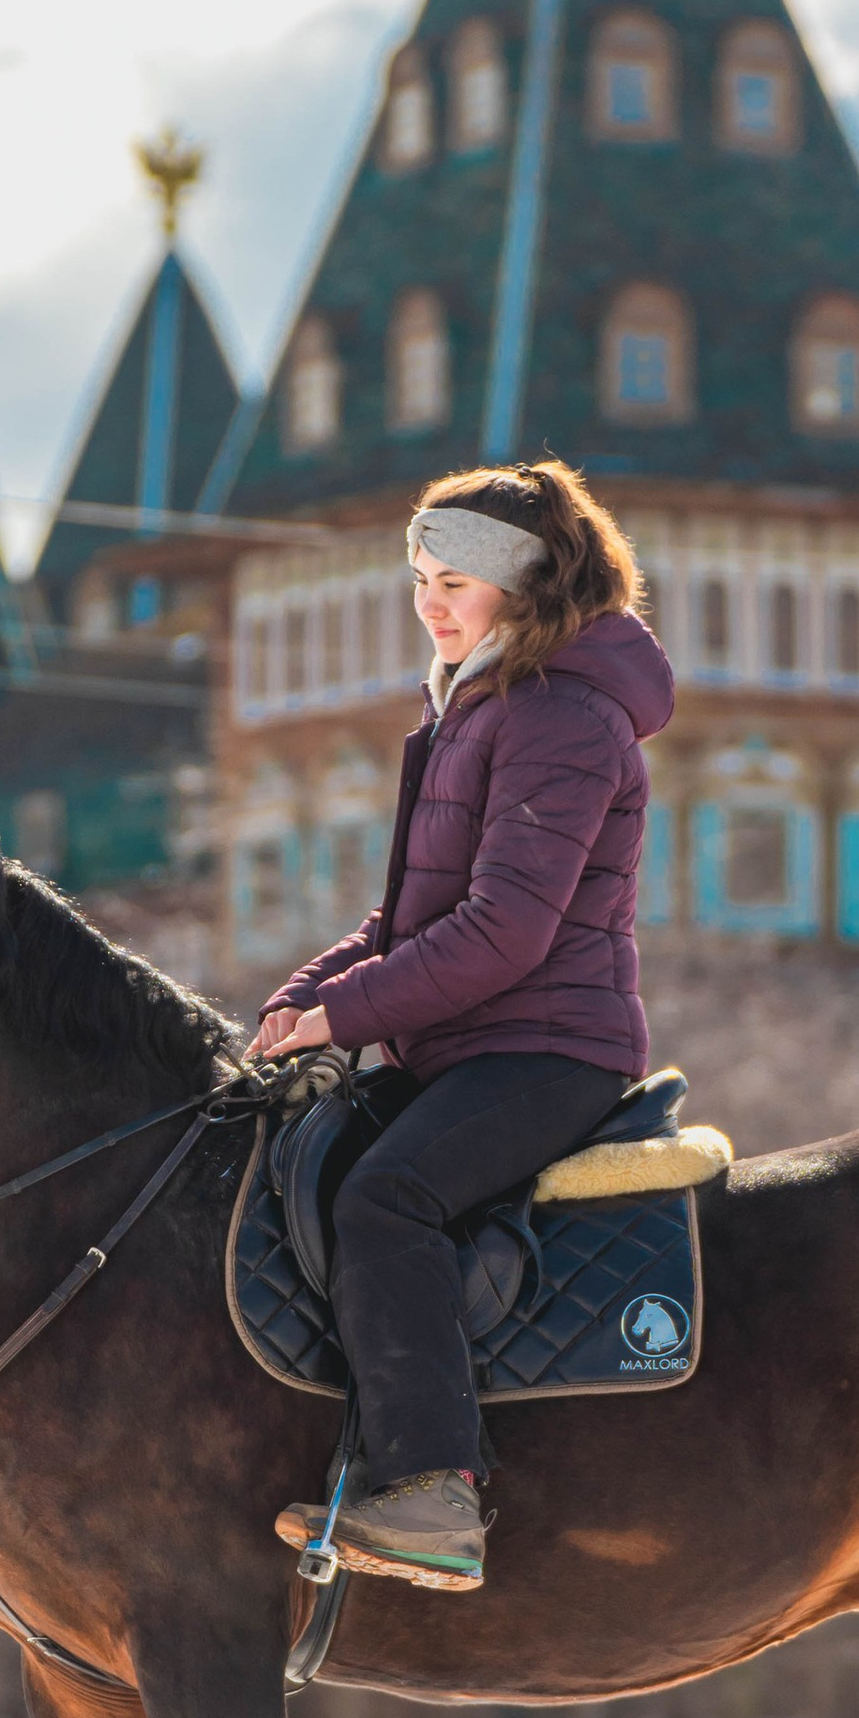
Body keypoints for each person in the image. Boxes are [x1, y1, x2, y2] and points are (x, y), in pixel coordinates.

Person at [256, 458, 674, 1590]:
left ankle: (436, 1496)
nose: (432, 603)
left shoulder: (562, 720)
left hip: (548, 1050)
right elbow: (407, 917)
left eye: (456, 582)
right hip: (465, 1042)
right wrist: (301, 1001)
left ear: (526, 589)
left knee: (387, 1196)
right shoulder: (477, 706)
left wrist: (343, 1013)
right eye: (420, 579)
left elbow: (503, 934)